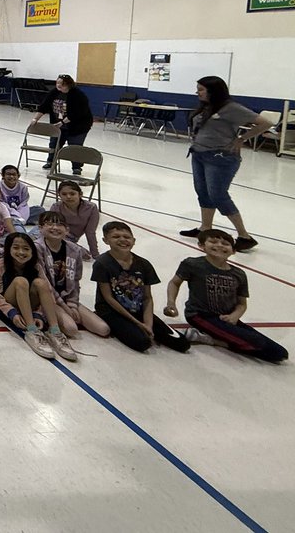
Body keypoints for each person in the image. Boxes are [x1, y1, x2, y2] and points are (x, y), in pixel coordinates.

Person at [165, 229, 287, 362]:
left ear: (233, 251)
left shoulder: (239, 274)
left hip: (227, 319)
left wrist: (235, 316)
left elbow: (241, 303)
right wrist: (171, 303)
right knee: (258, 344)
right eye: (213, 241)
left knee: (280, 353)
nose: (220, 245)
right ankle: (212, 339)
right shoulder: (192, 264)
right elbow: (175, 283)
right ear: (201, 246)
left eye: (225, 243)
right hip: (200, 315)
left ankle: (211, 339)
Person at [180, 76, 269, 252]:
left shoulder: (231, 108)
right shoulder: (207, 107)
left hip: (220, 158)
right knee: (203, 192)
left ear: (213, 91)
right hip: (199, 154)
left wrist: (242, 139)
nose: (197, 92)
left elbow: (266, 123)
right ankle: (205, 228)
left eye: (201, 89)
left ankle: (244, 236)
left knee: (218, 194)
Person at [91, 221, 189, 354]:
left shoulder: (144, 264)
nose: (122, 240)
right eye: (116, 237)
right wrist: (137, 323)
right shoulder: (102, 263)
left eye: (127, 237)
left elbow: (147, 298)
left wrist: (148, 324)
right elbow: (108, 298)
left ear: (134, 240)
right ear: (105, 240)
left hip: (137, 310)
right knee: (143, 342)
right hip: (111, 311)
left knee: (182, 344)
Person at [0, 231, 77, 361]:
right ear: (8, 249)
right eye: (16, 248)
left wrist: (39, 314)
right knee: (20, 281)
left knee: (41, 283)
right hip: (9, 304)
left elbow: (47, 292)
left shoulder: (36, 266)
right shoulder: (0, 265)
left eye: (26, 249)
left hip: (29, 304)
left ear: (32, 251)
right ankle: (31, 330)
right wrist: (11, 312)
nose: (21, 252)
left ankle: (54, 330)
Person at [34, 211, 109, 340]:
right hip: (48, 298)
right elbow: (45, 282)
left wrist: (72, 304)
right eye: (49, 224)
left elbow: (75, 281)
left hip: (67, 297)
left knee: (103, 329)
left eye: (60, 224)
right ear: (40, 228)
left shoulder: (75, 250)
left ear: (67, 230)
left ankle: (68, 311)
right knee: (71, 329)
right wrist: (64, 307)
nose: (55, 228)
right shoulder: (37, 248)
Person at [31, 73, 94, 172]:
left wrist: (63, 123)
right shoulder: (54, 92)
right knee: (54, 143)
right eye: (57, 82)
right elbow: (44, 106)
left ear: (68, 84)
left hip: (78, 125)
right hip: (58, 124)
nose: (59, 85)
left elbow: (77, 113)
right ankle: (51, 161)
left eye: (62, 83)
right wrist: (35, 119)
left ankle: (76, 167)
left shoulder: (77, 95)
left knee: (74, 146)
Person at [50, 180, 100, 257]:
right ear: (59, 195)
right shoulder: (56, 207)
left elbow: (90, 232)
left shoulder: (91, 208)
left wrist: (95, 254)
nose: (68, 197)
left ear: (80, 194)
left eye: (72, 194)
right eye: (64, 194)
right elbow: (52, 230)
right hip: (53, 236)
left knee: (83, 253)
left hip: (69, 239)